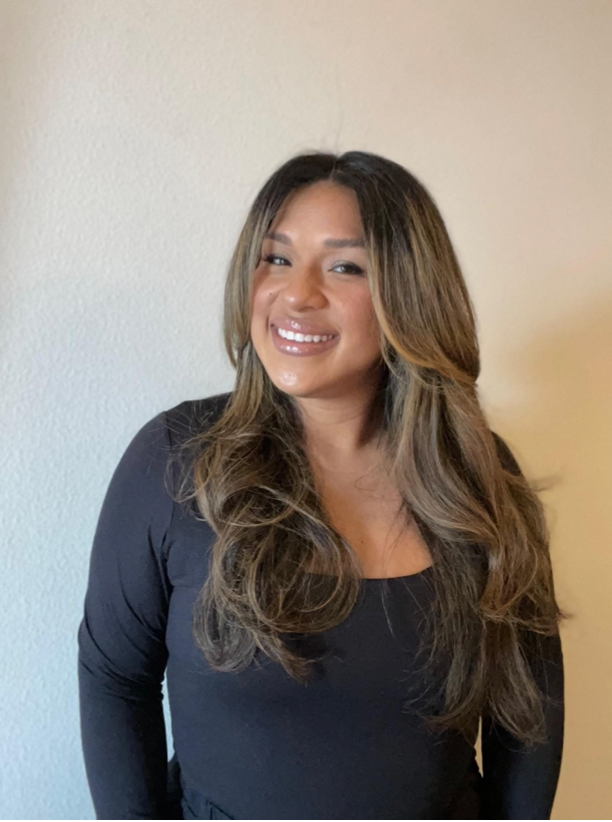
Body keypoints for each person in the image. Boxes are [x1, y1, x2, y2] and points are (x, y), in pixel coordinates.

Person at [77, 151, 568, 820]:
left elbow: (527, 716)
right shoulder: (176, 462)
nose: (297, 293)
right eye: (276, 259)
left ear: (411, 294)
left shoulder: (478, 475)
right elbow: (115, 679)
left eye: (344, 267)